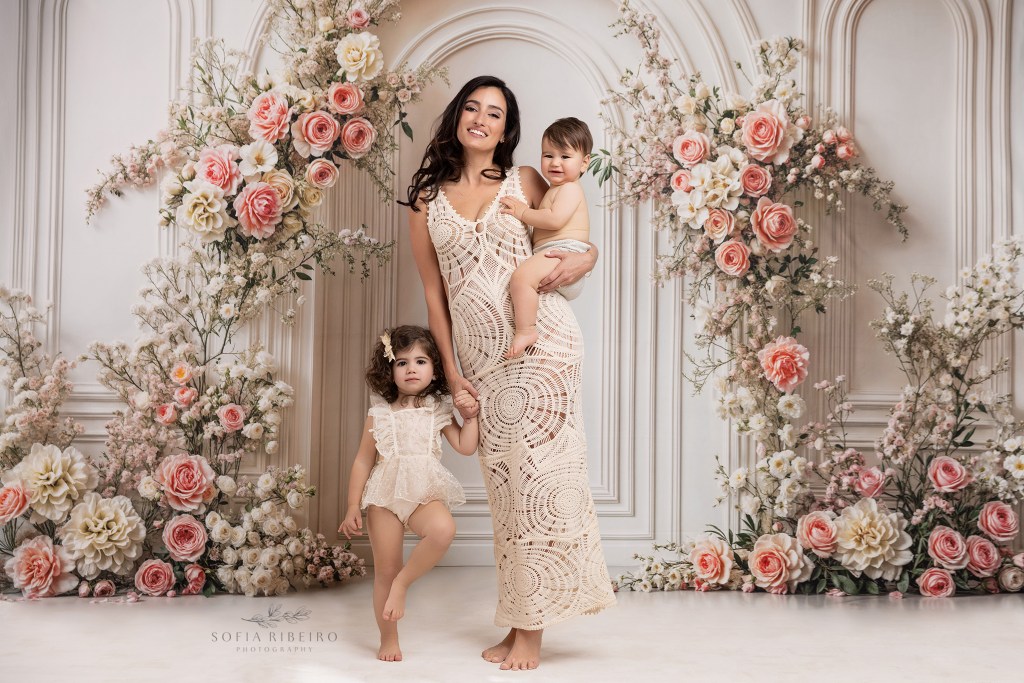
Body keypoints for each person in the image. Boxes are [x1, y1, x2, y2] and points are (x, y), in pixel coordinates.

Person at [403, 75, 616, 671]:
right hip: (481, 360)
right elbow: (434, 296)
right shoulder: (427, 200)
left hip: (541, 345)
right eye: (472, 108)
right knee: (507, 491)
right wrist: (450, 373)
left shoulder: (525, 180)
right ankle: (523, 618)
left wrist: (589, 259)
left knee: (536, 483)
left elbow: (571, 232)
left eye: (494, 113)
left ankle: (531, 634)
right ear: (457, 117)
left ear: (506, 128)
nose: (481, 119)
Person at [339, 325, 480, 662]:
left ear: (435, 370)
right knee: (385, 572)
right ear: (390, 370)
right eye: (401, 363)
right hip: (384, 498)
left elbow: (465, 446)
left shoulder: (439, 410)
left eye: (420, 361)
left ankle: (402, 585)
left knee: (443, 530)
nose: (411, 369)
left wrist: (471, 417)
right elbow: (363, 460)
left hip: (423, 493)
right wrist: (352, 505)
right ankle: (388, 639)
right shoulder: (379, 413)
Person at [498, 117, 593, 358]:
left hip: (564, 252)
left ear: (584, 163)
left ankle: (526, 330)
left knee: (521, 278)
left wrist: (523, 212)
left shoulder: (570, 189)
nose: (555, 163)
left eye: (565, 156)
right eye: (548, 155)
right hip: (551, 254)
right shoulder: (554, 189)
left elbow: (554, 220)